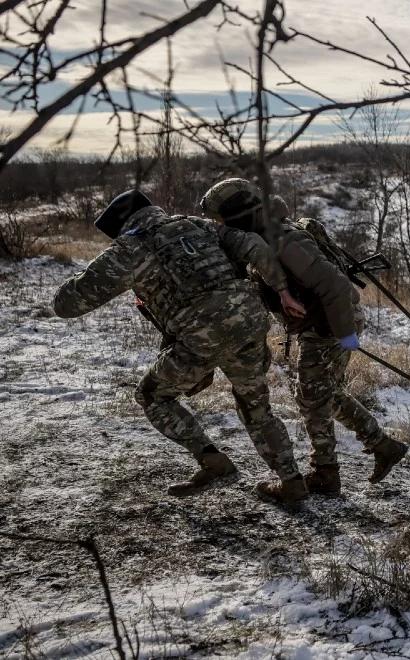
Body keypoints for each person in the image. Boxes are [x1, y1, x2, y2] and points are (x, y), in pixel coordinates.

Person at [52, 190, 310, 504]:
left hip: (201, 334)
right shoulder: (198, 225)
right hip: (249, 321)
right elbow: (251, 245)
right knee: (256, 406)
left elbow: (66, 304)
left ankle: (213, 463)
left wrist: (93, 268)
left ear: (119, 228)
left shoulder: (128, 250)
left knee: (152, 395)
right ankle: (292, 480)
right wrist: (281, 289)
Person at [199, 179, 408, 496]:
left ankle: (326, 474)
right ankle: (382, 446)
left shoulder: (284, 240)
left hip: (328, 325)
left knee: (311, 397)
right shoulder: (268, 236)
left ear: (237, 213)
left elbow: (336, 287)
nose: (221, 226)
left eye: (221, 219)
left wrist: (343, 335)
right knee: (325, 394)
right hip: (325, 323)